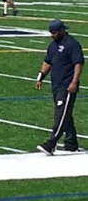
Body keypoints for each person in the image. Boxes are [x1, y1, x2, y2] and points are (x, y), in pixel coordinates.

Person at [36, 19, 84, 155]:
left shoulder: (72, 44)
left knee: (60, 114)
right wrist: (40, 77)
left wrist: (74, 82)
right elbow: (48, 61)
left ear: (62, 31)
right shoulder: (53, 45)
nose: (52, 35)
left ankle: (51, 143)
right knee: (65, 114)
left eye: (55, 32)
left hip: (67, 84)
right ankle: (71, 143)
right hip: (56, 84)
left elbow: (78, 63)